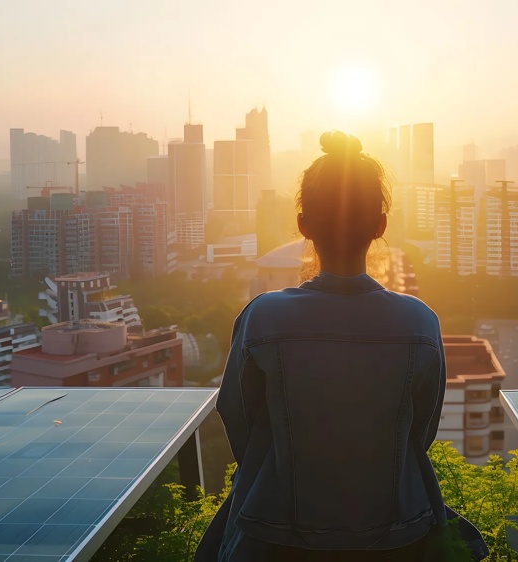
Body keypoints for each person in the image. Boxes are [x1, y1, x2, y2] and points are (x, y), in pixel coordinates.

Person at [195, 131, 458, 561]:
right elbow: (419, 431)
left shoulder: (264, 318)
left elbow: (241, 421)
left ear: (303, 224)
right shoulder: (419, 323)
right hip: (395, 533)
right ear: (380, 225)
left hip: (277, 534)